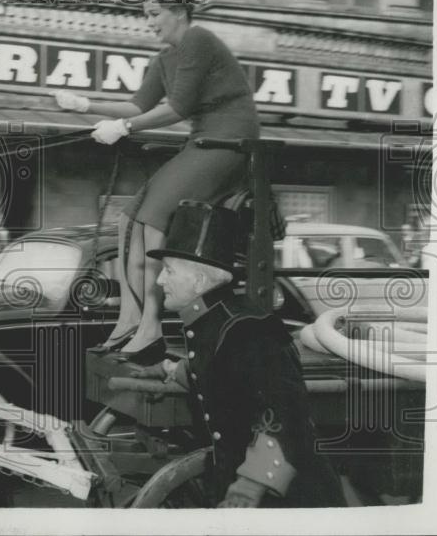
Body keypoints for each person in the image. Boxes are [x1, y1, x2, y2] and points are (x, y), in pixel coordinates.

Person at [56, 0, 259, 363]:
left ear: (179, 12)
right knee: (127, 221)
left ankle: (151, 328)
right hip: (203, 142)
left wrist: (125, 129)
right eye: (146, 15)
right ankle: (128, 321)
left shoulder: (199, 40)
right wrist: (85, 106)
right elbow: (138, 107)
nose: (148, 23)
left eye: (154, 14)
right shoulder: (165, 58)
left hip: (230, 141)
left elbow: (177, 109)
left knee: (152, 219)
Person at [128, 200, 346, 508]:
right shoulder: (215, 320)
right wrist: (168, 368)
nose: (160, 280)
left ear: (200, 281)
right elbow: (222, 379)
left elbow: (283, 416)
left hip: (290, 503)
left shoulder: (249, 330)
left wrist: (249, 487)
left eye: (168, 271)